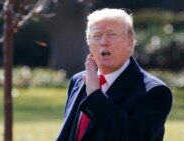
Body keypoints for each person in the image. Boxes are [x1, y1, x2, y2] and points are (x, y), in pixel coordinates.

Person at [56, 8, 173, 141]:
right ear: (89, 44)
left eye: (111, 35)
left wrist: (95, 96)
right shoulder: (78, 81)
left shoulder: (154, 92)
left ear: (129, 43)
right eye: (97, 35)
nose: (104, 42)